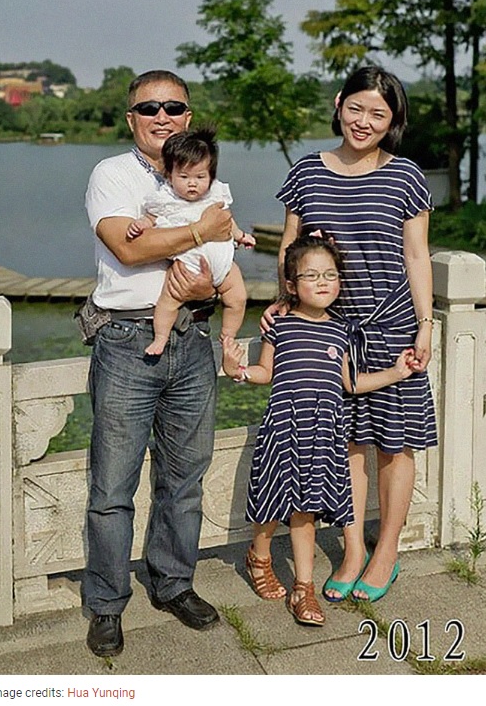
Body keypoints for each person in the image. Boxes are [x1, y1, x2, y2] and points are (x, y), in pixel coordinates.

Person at [261, 66, 438, 605]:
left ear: (392, 122)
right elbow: (290, 247)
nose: (364, 122)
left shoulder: (406, 177)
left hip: (392, 324)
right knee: (348, 446)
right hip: (331, 331)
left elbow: (417, 256)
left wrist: (426, 324)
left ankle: (387, 551)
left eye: (378, 114)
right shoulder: (308, 173)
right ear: (339, 104)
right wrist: (285, 301)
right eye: (356, 108)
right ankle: (353, 548)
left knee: (395, 445)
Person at [83, 70, 233, 658]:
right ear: (132, 119)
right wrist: (200, 228)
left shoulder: (204, 173)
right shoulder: (114, 175)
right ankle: (106, 603)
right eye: (150, 108)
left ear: (188, 117)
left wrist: (216, 282)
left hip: (192, 340)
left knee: (185, 478)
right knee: (112, 485)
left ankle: (173, 583)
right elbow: (128, 246)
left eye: (174, 107)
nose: (162, 116)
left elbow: (219, 254)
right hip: (126, 342)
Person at [222, 234, 418, 626]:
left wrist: (396, 372)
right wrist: (237, 371)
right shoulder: (279, 324)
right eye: (311, 275)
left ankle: (303, 589)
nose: (323, 282)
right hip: (284, 430)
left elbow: (351, 383)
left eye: (331, 274)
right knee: (271, 506)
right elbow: (265, 372)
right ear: (291, 285)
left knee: (305, 510)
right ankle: (259, 556)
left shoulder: (341, 331)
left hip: (322, 435)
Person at [126, 125, 255, 355]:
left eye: (200, 177)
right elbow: (150, 218)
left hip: (224, 266)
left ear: (211, 176)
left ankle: (228, 335)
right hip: (187, 266)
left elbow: (228, 221)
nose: (192, 183)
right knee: (167, 302)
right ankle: (161, 337)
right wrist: (141, 224)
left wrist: (241, 236)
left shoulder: (216, 195)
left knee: (238, 297)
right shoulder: (165, 199)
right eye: (183, 177)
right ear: (169, 175)